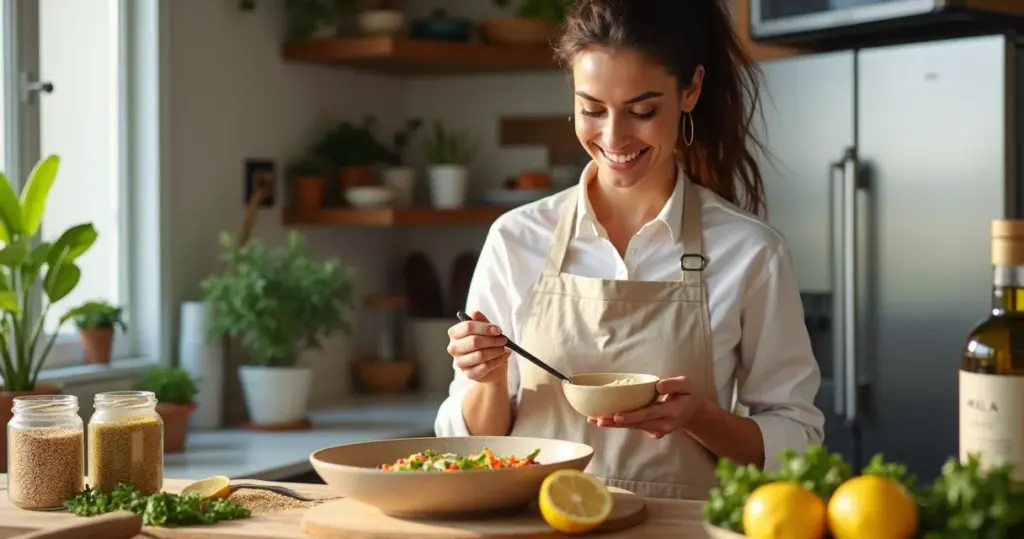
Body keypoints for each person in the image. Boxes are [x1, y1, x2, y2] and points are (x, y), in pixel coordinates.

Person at [434, 0, 825, 501]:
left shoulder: (750, 251)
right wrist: (488, 380)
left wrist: (699, 416)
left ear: (691, 90)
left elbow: (797, 440)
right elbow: (472, 448)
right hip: (538, 526)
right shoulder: (517, 239)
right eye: (592, 109)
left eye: (642, 111)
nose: (614, 138)